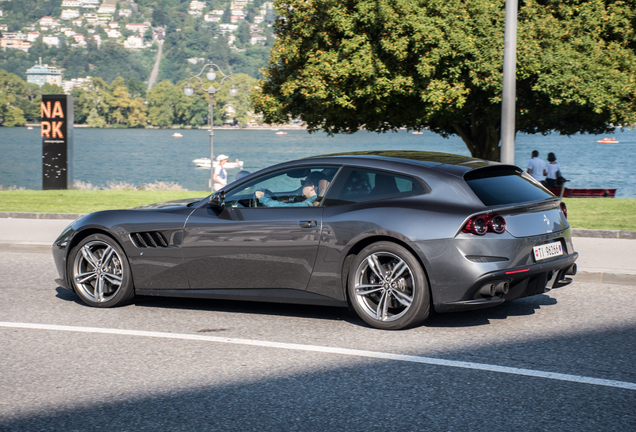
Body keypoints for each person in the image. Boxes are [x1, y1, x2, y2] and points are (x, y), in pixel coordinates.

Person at [255, 172, 326, 207]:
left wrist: (261, 198)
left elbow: (283, 207)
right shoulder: (318, 201)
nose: (302, 186)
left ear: (312, 186)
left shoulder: (309, 203)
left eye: (304, 182)